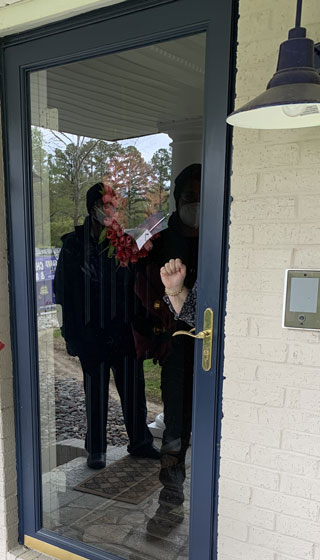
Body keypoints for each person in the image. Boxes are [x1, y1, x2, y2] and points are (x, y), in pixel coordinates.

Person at [54, 183, 159, 470]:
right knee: (96, 392)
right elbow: (62, 292)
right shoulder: (73, 245)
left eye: (114, 206)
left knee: (133, 389)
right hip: (91, 332)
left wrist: (144, 327)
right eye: (107, 206)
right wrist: (70, 335)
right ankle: (96, 449)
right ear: (93, 209)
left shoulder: (123, 241)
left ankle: (140, 441)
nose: (112, 212)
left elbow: (138, 286)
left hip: (124, 330)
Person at [132, 164, 201, 536]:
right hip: (177, 350)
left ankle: (212, 506)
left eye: (204, 198)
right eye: (191, 198)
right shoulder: (158, 241)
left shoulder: (223, 231)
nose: (198, 205)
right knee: (175, 434)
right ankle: (170, 506)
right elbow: (141, 290)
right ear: (178, 199)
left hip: (218, 353)